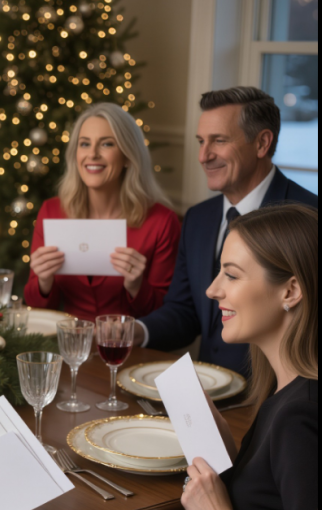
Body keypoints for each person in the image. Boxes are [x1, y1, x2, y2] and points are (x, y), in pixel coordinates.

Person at [37, 203, 318, 510]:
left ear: (291, 290)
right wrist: (229, 456)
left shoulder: (300, 418)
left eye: (231, 275)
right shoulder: (285, 392)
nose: (212, 291)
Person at [136, 87, 318, 375]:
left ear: (262, 143)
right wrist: (135, 331)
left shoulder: (309, 218)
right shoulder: (198, 219)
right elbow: (185, 313)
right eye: (200, 141)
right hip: (210, 397)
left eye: (218, 140)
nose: (203, 156)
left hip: (280, 406)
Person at [23, 103, 181, 321]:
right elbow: (37, 308)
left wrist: (136, 286)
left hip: (131, 349)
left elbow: (166, 315)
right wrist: (43, 282)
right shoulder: (52, 211)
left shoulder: (161, 221)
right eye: (85, 144)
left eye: (106, 144)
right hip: (70, 346)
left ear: (128, 156)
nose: (93, 154)